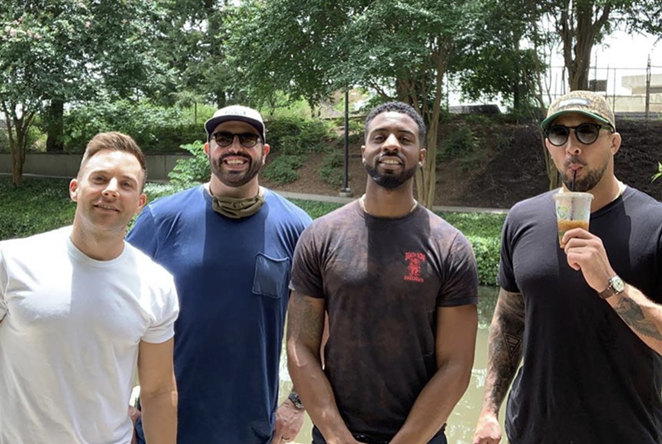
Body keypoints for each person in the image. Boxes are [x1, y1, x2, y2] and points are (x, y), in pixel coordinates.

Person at [473, 90, 662, 444]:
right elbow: (510, 320)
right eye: (559, 134)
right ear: (548, 145)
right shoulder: (522, 219)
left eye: (587, 132)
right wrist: (488, 410)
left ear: (614, 142)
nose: (572, 146)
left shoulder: (654, 224)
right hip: (531, 433)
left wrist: (610, 284)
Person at [287, 101, 479, 444]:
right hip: (335, 437)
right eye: (380, 137)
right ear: (364, 152)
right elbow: (300, 345)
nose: (391, 143)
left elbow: (457, 364)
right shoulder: (320, 237)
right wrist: (334, 435)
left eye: (404, 138)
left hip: (421, 438)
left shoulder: (450, 246)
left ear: (421, 156)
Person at [127, 105, 312, 444]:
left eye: (248, 138)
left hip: (255, 430)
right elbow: (112, 307)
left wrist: (297, 403)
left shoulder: (298, 228)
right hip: (163, 428)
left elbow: (320, 327)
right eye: (223, 138)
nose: (235, 148)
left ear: (264, 151)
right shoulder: (161, 219)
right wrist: (116, 401)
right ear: (208, 149)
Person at [0, 132, 179, 444]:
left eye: (126, 184)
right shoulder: (11, 261)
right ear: (75, 189)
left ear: (139, 203)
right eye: (99, 178)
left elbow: (157, 391)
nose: (111, 190)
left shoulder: (157, 285)